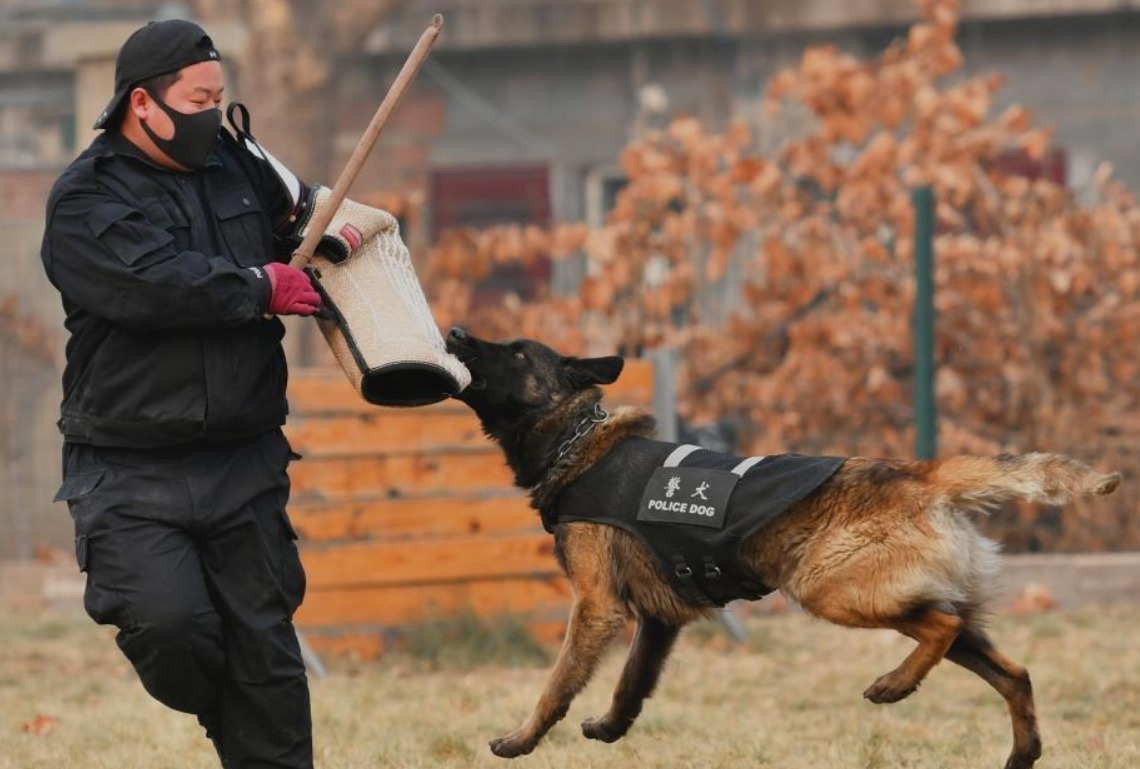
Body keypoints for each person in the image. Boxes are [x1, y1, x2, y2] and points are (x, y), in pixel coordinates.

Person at [40, 18, 323, 769]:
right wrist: (259, 285)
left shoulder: (240, 164)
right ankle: (235, 717)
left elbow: (307, 215)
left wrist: (335, 235)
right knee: (170, 627)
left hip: (243, 457)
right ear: (143, 104)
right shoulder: (84, 199)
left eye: (218, 96)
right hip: (130, 467)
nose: (212, 111)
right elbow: (152, 287)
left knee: (265, 645)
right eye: (198, 98)